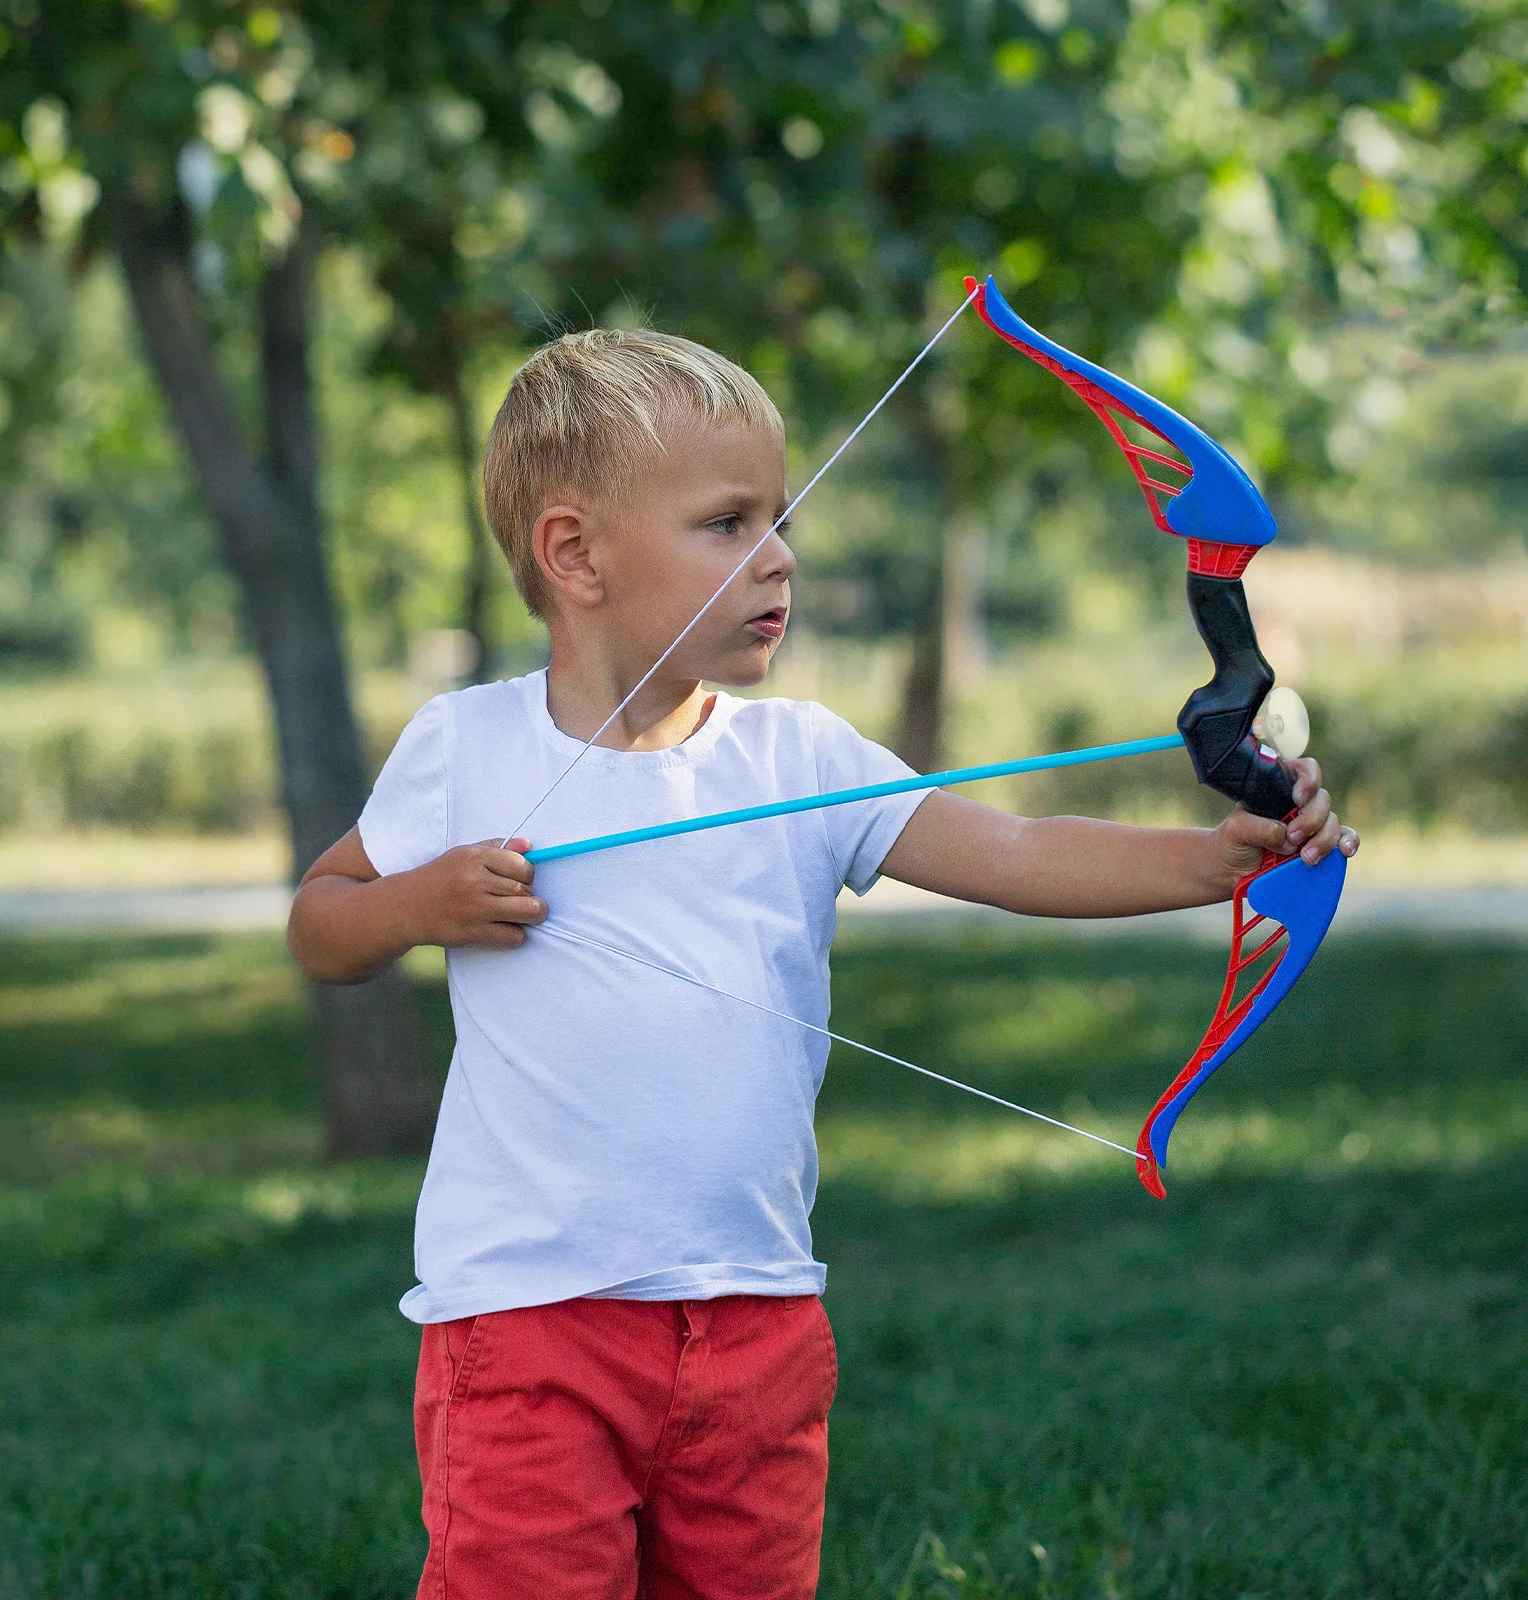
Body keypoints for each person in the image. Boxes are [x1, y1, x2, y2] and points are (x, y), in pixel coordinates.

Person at [286, 327, 1358, 1599]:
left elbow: (1015, 850)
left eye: (780, 514)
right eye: (728, 522)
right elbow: (323, 921)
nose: (780, 555)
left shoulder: (801, 756)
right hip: (529, 1321)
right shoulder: (465, 744)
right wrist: (421, 897)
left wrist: (1221, 863)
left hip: (757, 1321)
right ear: (573, 554)